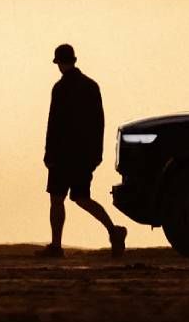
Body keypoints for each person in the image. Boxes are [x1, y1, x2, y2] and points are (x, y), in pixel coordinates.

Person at [42, 42, 126, 255]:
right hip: (82, 154)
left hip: (63, 154)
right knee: (80, 198)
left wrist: (49, 153)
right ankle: (113, 231)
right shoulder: (90, 86)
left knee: (58, 199)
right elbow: (99, 123)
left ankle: (56, 245)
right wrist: (96, 153)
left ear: (59, 63)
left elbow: (54, 124)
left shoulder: (60, 89)